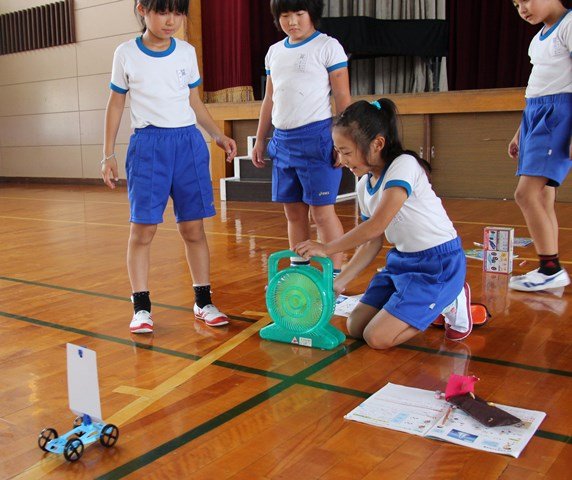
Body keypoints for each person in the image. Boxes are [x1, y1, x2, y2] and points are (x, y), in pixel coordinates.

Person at [101, 0, 237, 334]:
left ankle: (203, 301)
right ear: (142, 9)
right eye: (163, 12)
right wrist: (108, 153)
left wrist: (217, 135)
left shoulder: (186, 52)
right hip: (149, 148)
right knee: (143, 230)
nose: (171, 20)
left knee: (193, 228)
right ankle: (142, 308)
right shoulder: (126, 53)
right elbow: (116, 103)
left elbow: (194, 101)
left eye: (177, 13)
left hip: (188, 145)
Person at [295, 99, 473, 350]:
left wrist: (326, 248)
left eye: (346, 151)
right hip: (402, 262)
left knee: (377, 338)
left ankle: (450, 299)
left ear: (377, 144)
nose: (341, 159)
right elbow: (372, 242)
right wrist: (339, 282)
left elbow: (377, 226)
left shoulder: (404, 166)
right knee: (355, 327)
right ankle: (417, 305)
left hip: (439, 265)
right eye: (338, 151)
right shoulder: (363, 186)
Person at [252, 0, 351, 277]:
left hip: (318, 139)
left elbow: (343, 97)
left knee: (322, 213)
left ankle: (335, 276)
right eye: (285, 15)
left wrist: (344, 144)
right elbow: (270, 98)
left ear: (312, 14)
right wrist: (261, 139)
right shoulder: (274, 52)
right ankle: (302, 272)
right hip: (282, 141)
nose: (292, 21)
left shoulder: (327, 46)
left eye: (299, 14)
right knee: (294, 213)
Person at [508, 0, 571, 292]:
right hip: (536, 113)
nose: (522, 8)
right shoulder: (538, 39)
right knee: (543, 197)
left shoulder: (569, 25)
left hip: (558, 113)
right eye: (516, 3)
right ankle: (549, 266)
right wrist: (521, 131)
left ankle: (550, 269)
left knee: (525, 194)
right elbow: (537, 86)